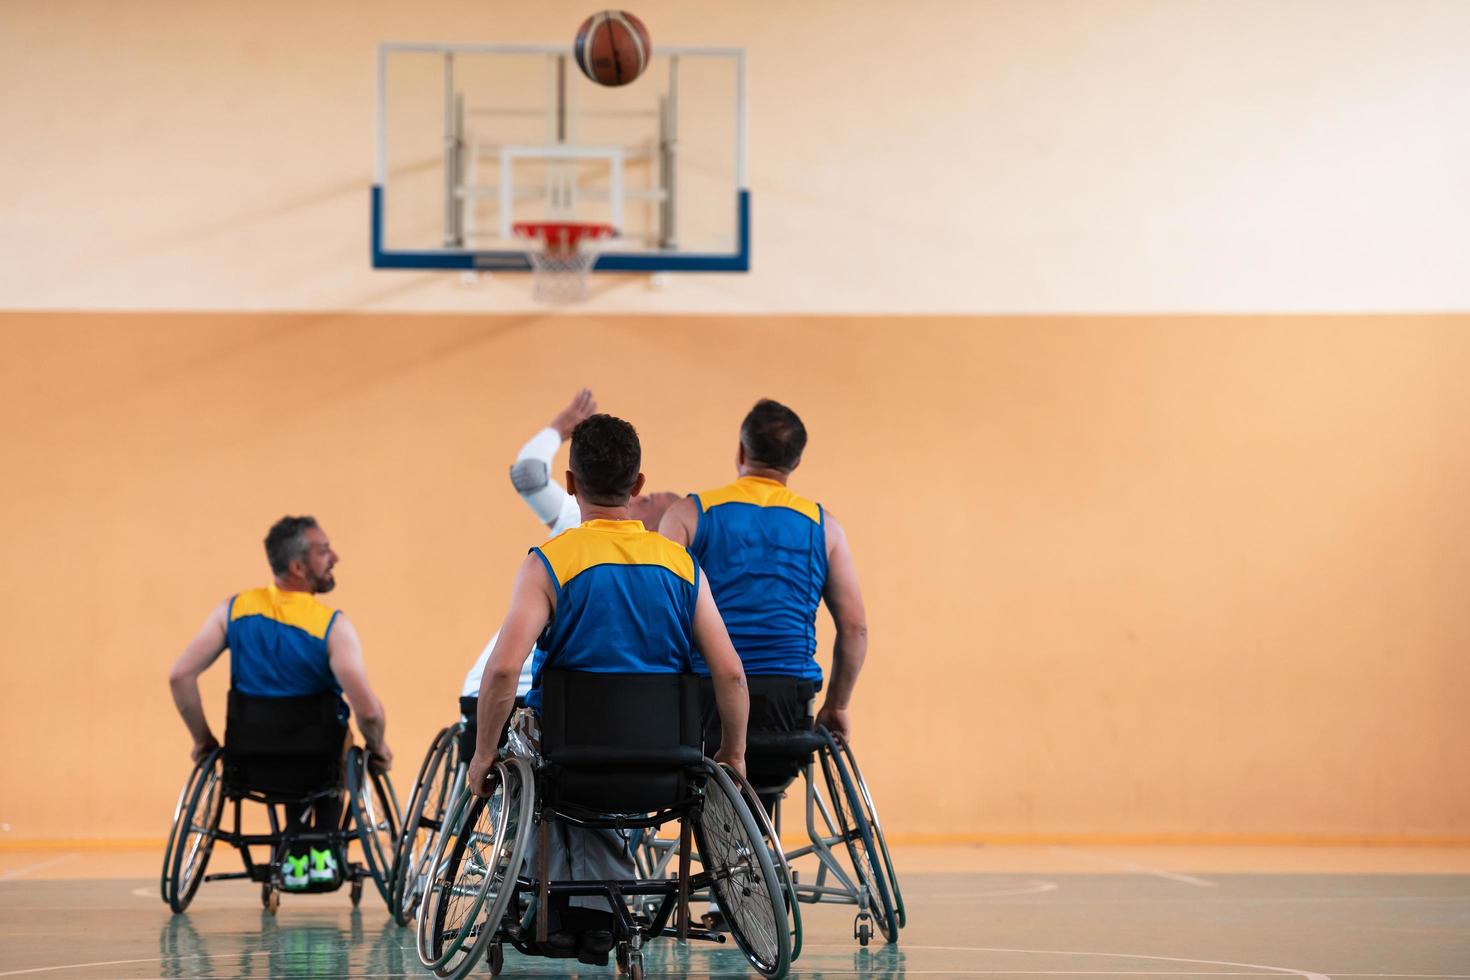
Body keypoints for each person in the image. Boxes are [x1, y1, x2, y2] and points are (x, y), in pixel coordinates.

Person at [466, 413, 749, 965]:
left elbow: (502, 673)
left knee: (521, 751)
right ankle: (595, 912)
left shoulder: (549, 562)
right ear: (639, 484)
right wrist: (733, 752)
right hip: (666, 765)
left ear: (570, 485)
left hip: (569, 760)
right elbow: (732, 675)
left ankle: (546, 903)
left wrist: (481, 755)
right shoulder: (682, 564)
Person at [167, 516, 393, 891]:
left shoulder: (234, 610)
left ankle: (295, 849)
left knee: (296, 751)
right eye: (323, 551)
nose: (334, 556)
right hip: (318, 764)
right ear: (298, 567)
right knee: (339, 743)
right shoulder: (332, 625)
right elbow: (368, 710)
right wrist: (379, 746)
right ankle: (321, 847)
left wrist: (203, 740)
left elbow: (180, 676)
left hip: (249, 762)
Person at [659, 398, 869, 747]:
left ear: (742, 451)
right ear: (796, 461)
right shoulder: (825, 527)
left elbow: (658, 610)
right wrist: (837, 705)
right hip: (788, 704)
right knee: (772, 776)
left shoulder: (687, 515)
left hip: (706, 698)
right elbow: (855, 628)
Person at [460, 388, 680, 703]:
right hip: (548, 702)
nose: (638, 499)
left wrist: (558, 430)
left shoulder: (578, 524)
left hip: (525, 700)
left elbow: (528, 474)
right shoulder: (672, 570)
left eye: (648, 501)